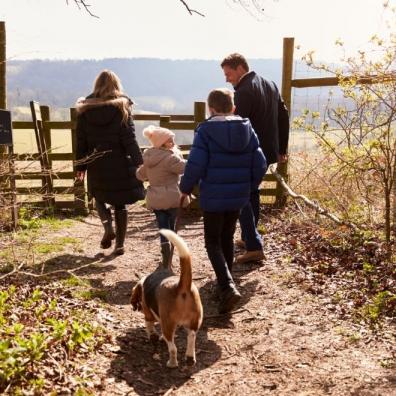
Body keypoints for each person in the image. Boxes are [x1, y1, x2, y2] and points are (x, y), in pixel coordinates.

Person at [180, 88, 267, 314]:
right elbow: (260, 164)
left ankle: (227, 286)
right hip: (239, 196)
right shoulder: (247, 130)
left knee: (212, 241)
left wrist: (185, 188)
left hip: (213, 196)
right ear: (233, 107)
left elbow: (195, 164)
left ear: (211, 109)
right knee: (227, 237)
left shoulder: (206, 131)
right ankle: (224, 282)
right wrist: (249, 186)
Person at [221, 53, 290, 264]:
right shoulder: (269, 84)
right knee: (252, 193)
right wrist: (281, 148)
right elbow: (283, 115)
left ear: (240, 67)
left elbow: (237, 126)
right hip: (268, 151)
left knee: (243, 195)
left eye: (229, 73)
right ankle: (249, 238)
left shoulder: (244, 91)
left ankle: (253, 245)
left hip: (249, 153)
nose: (227, 79)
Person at [75, 69, 145, 255]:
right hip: (120, 161)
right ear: (116, 85)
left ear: (96, 85)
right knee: (120, 204)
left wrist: (80, 165)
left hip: (96, 162)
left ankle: (108, 228)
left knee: (99, 197)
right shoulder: (122, 107)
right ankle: (120, 245)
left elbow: (81, 141)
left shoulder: (85, 109)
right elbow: (129, 139)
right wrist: (140, 163)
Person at [136, 125, 189, 266]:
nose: (173, 143)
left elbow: (140, 175)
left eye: (173, 140)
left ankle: (165, 253)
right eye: (170, 141)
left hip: (156, 197)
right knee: (171, 227)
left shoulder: (149, 158)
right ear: (161, 143)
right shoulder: (170, 158)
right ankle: (169, 255)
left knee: (162, 226)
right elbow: (185, 167)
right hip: (172, 196)